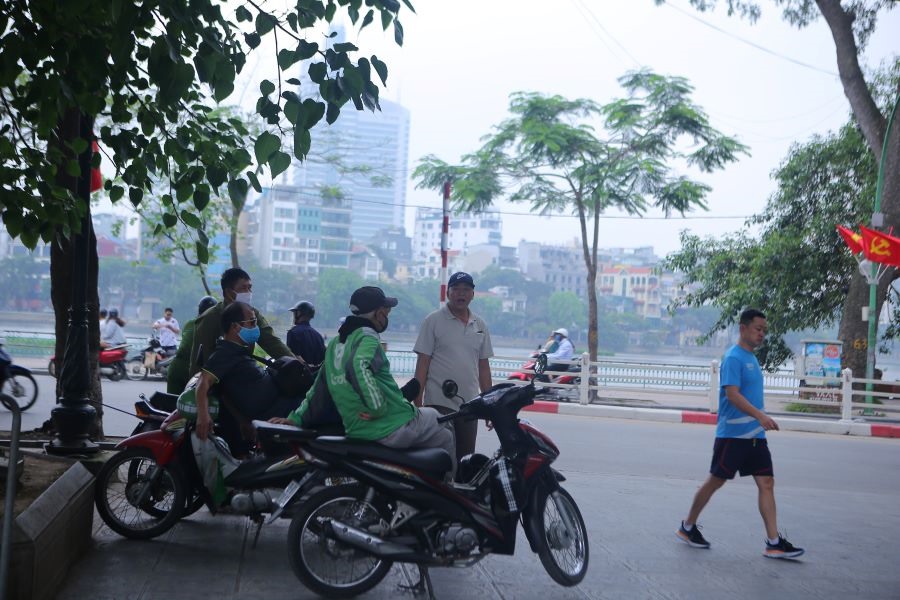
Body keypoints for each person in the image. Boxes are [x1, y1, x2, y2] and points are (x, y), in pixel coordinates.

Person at [274, 286, 455, 472]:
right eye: (386, 311)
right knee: (445, 429)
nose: (387, 315)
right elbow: (357, 365)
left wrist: (295, 419)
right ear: (377, 313)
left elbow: (319, 389)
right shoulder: (367, 336)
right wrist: (376, 408)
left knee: (434, 420)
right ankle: (448, 490)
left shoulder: (336, 343)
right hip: (391, 425)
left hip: (358, 428)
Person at [676, 308, 804, 559]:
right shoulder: (733, 358)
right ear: (743, 328)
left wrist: (759, 421)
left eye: (764, 330)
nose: (762, 334)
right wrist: (761, 415)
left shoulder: (751, 358)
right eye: (758, 329)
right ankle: (687, 527)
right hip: (732, 436)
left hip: (756, 436)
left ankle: (774, 542)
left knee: (766, 483)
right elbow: (732, 394)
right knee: (716, 481)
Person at [193, 301, 301, 443]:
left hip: (280, 401)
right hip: (277, 411)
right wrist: (203, 415)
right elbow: (203, 381)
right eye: (252, 322)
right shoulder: (224, 353)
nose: (256, 327)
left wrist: (243, 421)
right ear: (235, 327)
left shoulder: (238, 351)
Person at [413, 272, 493, 462]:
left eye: (466, 290)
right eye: (456, 289)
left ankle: (459, 493)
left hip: (470, 405)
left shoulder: (479, 324)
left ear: (473, 294)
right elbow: (422, 363)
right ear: (448, 293)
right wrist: (418, 403)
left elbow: (484, 367)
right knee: (440, 458)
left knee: (466, 459)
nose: (461, 294)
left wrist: (489, 406)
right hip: (439, 403)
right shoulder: (432, 321)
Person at [188, 267, 293, 376]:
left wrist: (295, 363)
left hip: (243, 376)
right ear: (228, 292)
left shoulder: (252, 314)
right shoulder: (209, 319)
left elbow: (271, 342)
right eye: (244, 288)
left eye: (250, 288)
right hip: (216, 381)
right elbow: (198, 361)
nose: (248, 292)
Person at [166, 295, 217, 394]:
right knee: (191, 405)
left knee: (172, 402)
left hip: (176, 367)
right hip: (193, 370)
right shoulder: (213, 327)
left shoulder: (189, 323)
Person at [286, 300, 325, 367]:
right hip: (316, 376)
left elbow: (293, 357)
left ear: (299, 313)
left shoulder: (293, 332)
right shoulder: (318, 336)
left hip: (298, 375)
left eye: (295, 312)